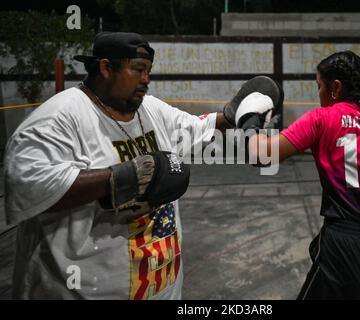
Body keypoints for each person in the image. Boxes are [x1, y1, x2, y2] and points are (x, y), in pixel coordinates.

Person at [3, 31, 282, 299]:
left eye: (148, 70)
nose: (146, 79)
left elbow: (198, 126)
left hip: (159, 288)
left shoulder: (150, 109)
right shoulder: (59, 119)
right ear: (105, 68)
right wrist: (122, 178)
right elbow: (25, 184)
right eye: (138, 69)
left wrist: (235, 115)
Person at [247, 50, 360, 299]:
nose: (320, 94)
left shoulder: (322, 119)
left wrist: (250, 121)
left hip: (347, 242)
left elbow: (262, 156)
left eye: (319, 87)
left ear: (335, 88)